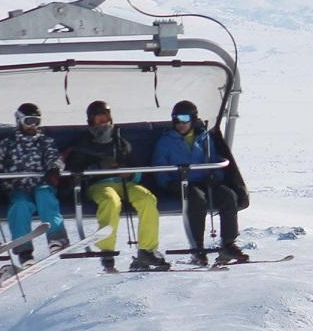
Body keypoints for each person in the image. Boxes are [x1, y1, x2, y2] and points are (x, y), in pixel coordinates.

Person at [65, 100, 169, 272]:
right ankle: (107, 250)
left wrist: (130, 174)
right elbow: (76, 170)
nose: (103, 123)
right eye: (99, 120)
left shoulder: (120, 142)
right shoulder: (83, 144)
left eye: (105, 118)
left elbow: (137, 169)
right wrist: (99, 168)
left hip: (123, 183)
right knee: (111, 201)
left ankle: (147, 249)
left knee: (147, 198)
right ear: (91, 122)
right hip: (98, 185)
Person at [152, 100, 248, 264]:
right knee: (196, 199)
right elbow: (159, 166)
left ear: (193, 119)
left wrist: (215, 176)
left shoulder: (204, 138)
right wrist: (168, 183)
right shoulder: (166, 141)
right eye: (176, 119)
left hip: (204, 181)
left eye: (184, 118)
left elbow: (214, 160)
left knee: (228, 196)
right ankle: (198, 248)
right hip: (180, 183)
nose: (180, 124)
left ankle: (228, 244)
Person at [0, 102, 69, 276]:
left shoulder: (44, 142)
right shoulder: (6, 144)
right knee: (20, 206)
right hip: (18, 187)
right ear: (19, 120)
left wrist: (54, 168)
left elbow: (55, 158)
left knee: (44, 196)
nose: (33, 125)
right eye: (29, 120)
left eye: (37, 121)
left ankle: (56, 238)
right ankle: (24, 251)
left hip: (41, 184)